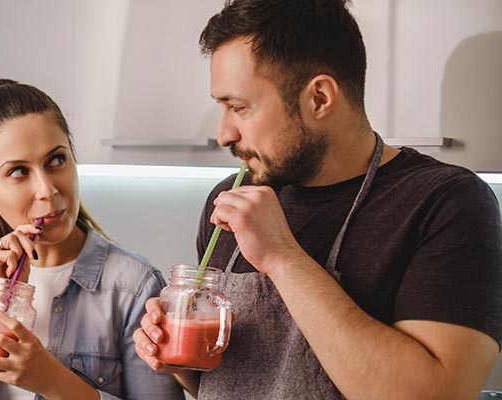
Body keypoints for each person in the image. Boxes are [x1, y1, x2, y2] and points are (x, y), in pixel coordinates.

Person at [134, 1, 502, 399]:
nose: (224, 133)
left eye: (238, 107)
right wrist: (179, 358)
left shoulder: (446, 202)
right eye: (221, 107)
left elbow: (433, 394)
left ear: (320, 98)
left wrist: (283, 257)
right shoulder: (231, 199)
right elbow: (221, 381)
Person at [0, 79, 184, 400]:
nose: (47, 190)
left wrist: (51, 379)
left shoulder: (133, 287)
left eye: (56, 160)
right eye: (18, 171)